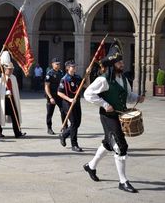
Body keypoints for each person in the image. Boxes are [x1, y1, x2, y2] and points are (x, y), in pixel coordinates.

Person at [83, 39, 145, 193]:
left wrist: (137, 98)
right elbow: (87, 94)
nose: (122, 64)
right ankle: (123, 181)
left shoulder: (124, 79)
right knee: (121, 146)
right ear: (112, 65)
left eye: (122, 62)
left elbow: (128, 96)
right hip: (108, 116)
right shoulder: (102, 80)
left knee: (107, 143)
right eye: (119, 63)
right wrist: (104, 104)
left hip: (121, 114)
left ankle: (90, 166)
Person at [0, 61, 25, 138]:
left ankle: (17, 132)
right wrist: (4, 92)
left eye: (12, 69)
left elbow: (15, 90)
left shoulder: (13, 78)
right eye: (9, 69)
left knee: (15, 115)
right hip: (2, 101)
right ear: (4, 69)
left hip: (12, 99)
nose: (11, 71)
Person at [57, 60, 83, 152]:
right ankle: (74, 144)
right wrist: (69, 99)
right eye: (72, 66)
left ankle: (63, 135)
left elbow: (86, 85)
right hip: (68, 103)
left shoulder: (78, 77)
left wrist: (87, 76)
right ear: (68, 68)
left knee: (78, 123)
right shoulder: (64, 79)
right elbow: (59, 93)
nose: (74, 67)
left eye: (75, 66)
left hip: (77, 102)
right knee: (74, 123)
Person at [45, 58, 65, 135]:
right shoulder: (49, 73)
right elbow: (46, 86)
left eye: (59, 64)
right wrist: (50, 97)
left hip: (60, 95)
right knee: (50, 113)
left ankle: (64, 127)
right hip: (52, 96)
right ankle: (49, 128)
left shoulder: (61, 72)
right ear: (52, 64)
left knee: (63, 111)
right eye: (56, 64)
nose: (58, 65)